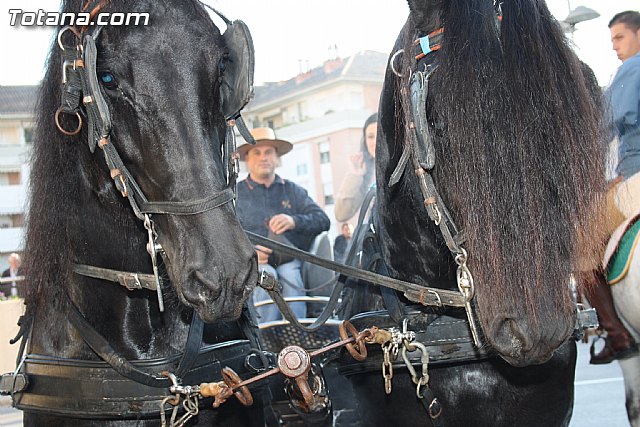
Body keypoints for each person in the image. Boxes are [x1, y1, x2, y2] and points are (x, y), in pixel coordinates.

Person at [588, 10, 640, 365]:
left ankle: (615, 332)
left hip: (635, 179)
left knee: (580, 238)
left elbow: (603, 128)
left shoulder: (631, 69)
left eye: (620, 37)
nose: (615, 47)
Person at [236, 127, 330, 322]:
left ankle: (297, 332)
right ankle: (266, 334)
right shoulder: (236, 195)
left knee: (291, 276)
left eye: (269, 152)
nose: (263, 157)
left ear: (277, 157)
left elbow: (322, 220)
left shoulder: (293, 190)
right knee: (266, 277)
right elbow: (225, 234)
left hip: (289, 261)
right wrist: (249, 252)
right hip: (254, 264)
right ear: (247, 159)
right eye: (257, 152)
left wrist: (294, 221)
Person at [334, 113, 378, 222]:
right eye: (370, 137)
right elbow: (341, 215)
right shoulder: (367, 176)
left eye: (380, 134)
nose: (375, 142)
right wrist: (355, 175)